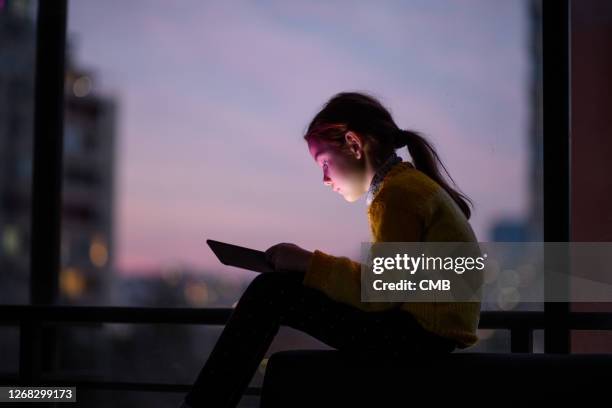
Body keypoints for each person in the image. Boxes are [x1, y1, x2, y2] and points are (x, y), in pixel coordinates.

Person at [179, 91, 481, 408]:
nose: (324, 179)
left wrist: (308, 263)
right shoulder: (407, 188)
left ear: (353, 144)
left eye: (324, 162)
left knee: (272, 292)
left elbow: (380, 293)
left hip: (415, 339)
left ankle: (203, 405)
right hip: (424, 335)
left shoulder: (398, 194)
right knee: (277, 289)